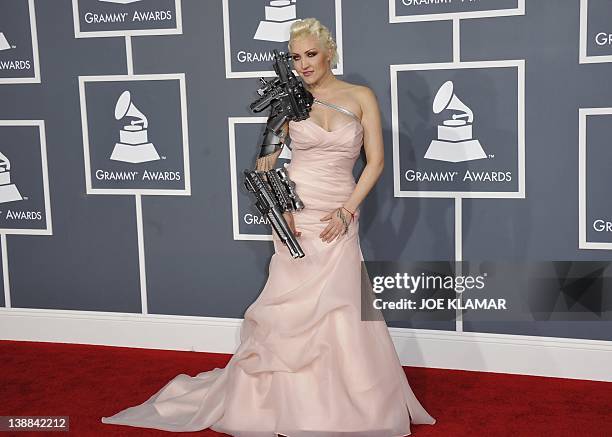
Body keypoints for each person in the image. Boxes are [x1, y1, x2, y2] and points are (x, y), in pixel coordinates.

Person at [101, 17, 436, 437]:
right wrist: (284, 211)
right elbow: (264, 165)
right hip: (296, 213)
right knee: (290, 308)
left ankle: (348, 405)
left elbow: (377, 162)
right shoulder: (287, 102)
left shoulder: (361, 96)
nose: (304, 64)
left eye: (311, 54)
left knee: (345, 305)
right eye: (296, 57)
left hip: (339, 212)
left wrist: (348, 211)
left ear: (329, 51)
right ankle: (284, 403)